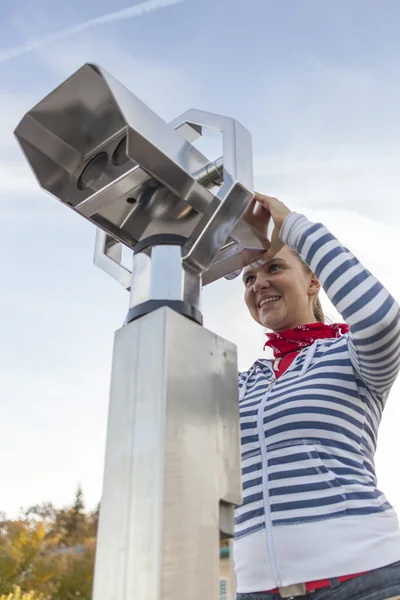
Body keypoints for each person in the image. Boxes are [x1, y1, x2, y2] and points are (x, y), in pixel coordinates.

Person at [234, 193, 400, 600]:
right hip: (257, 590)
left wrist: (293, 227)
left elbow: (381, 320)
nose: (260, 283)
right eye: (249, 278)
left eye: (274, 268)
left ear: (313, 281)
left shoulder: (350, 355)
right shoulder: (243, 381)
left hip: (366, 580)